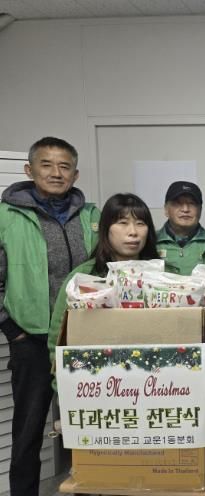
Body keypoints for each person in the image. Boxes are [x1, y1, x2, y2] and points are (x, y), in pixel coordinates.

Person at [0, 136, 100, 496]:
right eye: (47, 164)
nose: (56, 173)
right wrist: (12, 328)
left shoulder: (91, 216)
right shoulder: (6, 216)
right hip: (32, 337)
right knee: (29, 428)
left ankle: (90, 487)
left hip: (85, 337)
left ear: (75, 174)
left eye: (64, 166)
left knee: (91, 422)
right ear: (29, 169)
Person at [48, 193, 159, 361]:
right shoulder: (84, 276)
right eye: (123, 223)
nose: (133, 232)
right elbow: (59, 333)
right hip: (97, 369)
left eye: (140, 224)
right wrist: (60, 372)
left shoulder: (163, 276)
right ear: (106, 228)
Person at [156, 181, 205, 275]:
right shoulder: (150, 241)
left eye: (192, 203)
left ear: (200, 210)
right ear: (166, 210)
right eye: (178, 203)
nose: (185, 209)